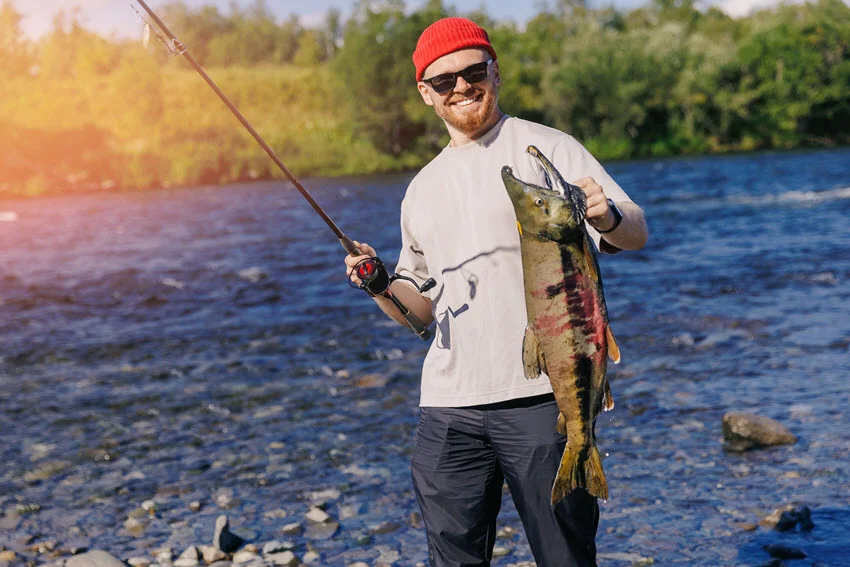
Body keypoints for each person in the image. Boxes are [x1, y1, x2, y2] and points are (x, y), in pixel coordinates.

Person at [344, 17, 648, 567]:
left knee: (564, 556)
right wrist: (381, 283)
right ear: (426, 94)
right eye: (444, 81)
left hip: (541, 401)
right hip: (447, 408)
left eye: (472, 71)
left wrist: (605, 214)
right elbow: (418, 313)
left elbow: (636, 232)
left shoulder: (549, 148)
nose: (461, 86)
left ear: (495, 72)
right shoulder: (422, 187)